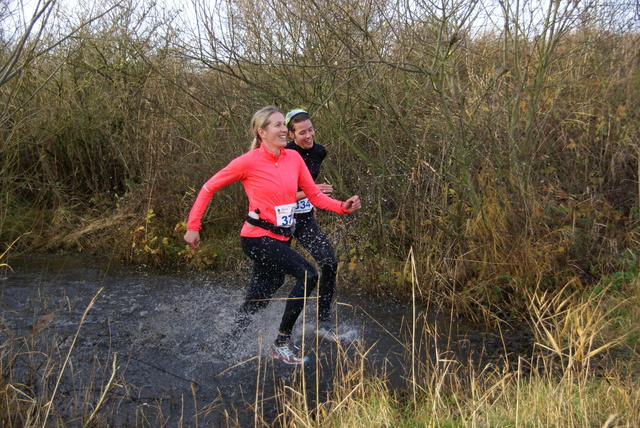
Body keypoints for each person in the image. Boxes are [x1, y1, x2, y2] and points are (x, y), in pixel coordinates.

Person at [183, 106, 361, 365]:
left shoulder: (293, 158)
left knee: (259, 299)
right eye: (277, 125)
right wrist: (193, 225)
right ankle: (281, 342)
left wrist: (342, 207)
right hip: (256, 237)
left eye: (283, 125)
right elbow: (209, 186)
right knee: (308, 274)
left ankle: (226, 346)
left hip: (281, 238)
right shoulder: (249, 161)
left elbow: (314, 196)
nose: (283, 131)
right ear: (261, 132)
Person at [283, 108, 339, 339]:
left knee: (329, 262)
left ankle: (322, 321)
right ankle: (251, 320)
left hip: (304, 218)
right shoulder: (282, 153)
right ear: (290, 135)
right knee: (272, 278)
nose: (309, 136)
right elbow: (279, 194)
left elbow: (308, 183)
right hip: (280, 219)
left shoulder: (319, 152)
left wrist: (312, 199)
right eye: (302, 132)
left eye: (311, 130)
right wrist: (310, 193)